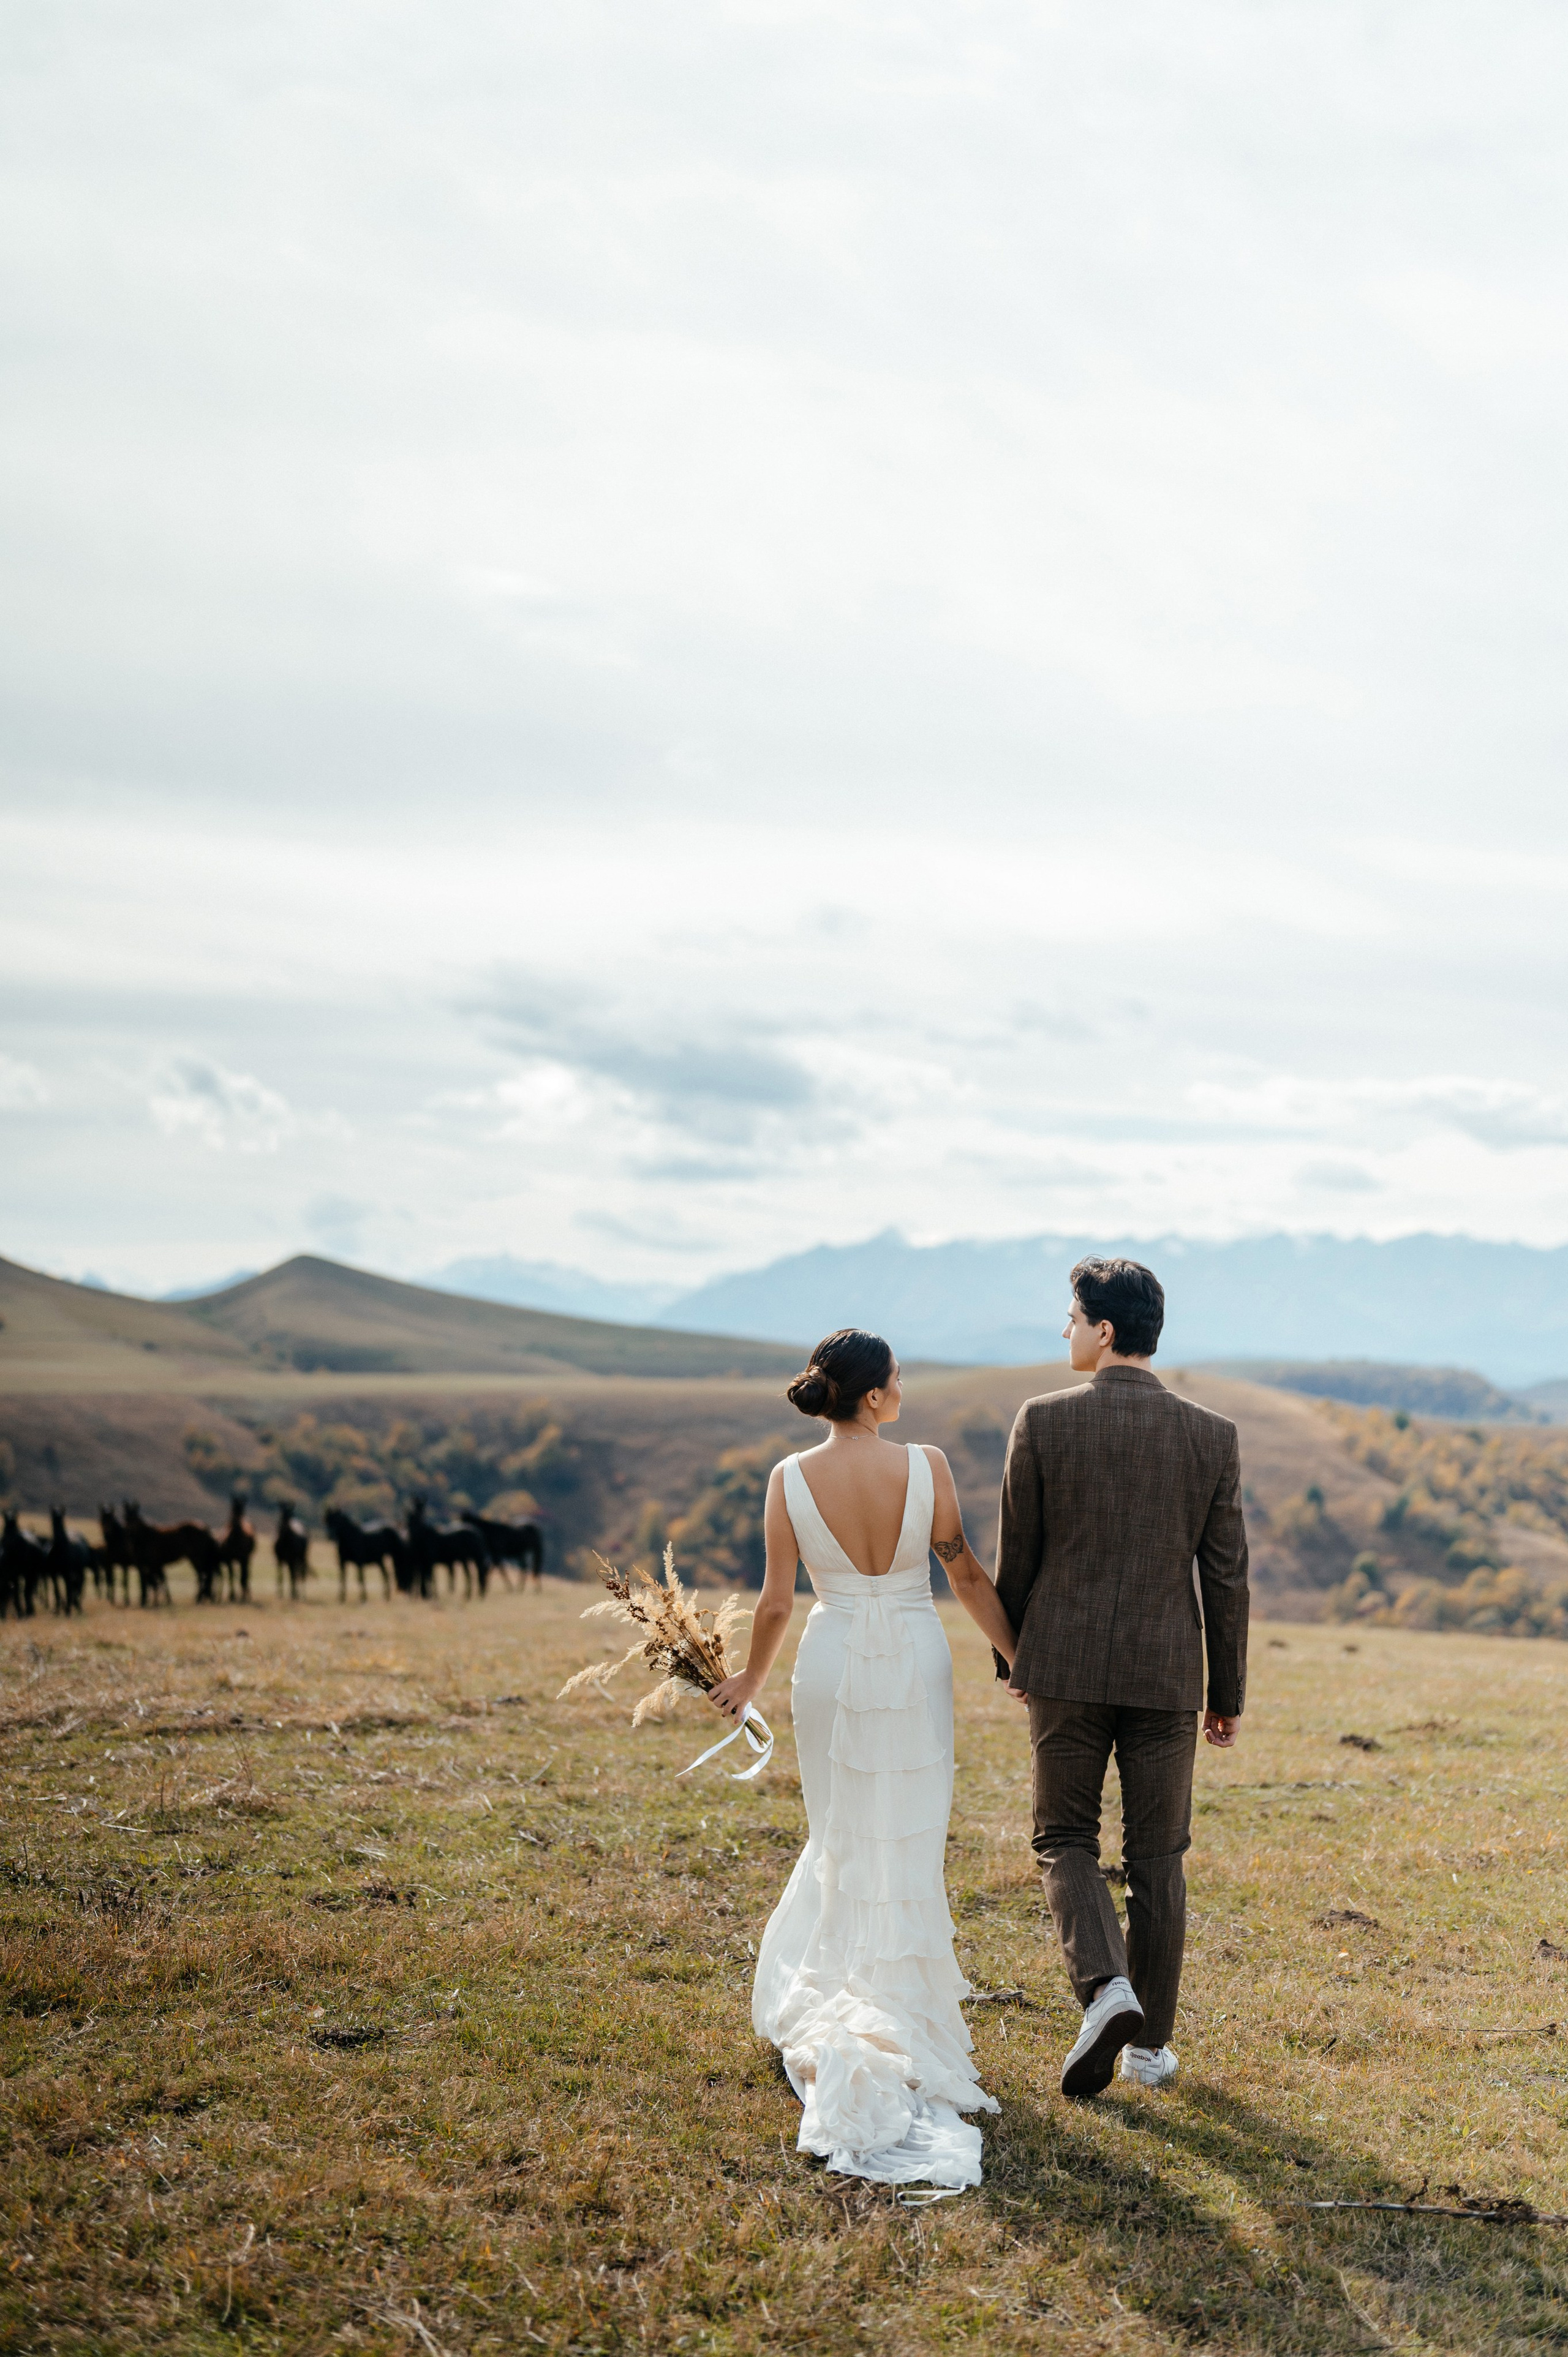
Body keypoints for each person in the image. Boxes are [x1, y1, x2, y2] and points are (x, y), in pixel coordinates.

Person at [707, 1328, 1017, 2190]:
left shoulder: (788, 1479)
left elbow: (776, 1601)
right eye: (897, 1378)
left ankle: (851, 2002)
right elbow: (965, 1574)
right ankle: (896, 2009)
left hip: (834, 1656)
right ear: (875, 1395)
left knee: (839, 1831)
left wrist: (748, 1683)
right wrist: (1016, 1657)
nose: (904, 1388)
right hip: (915, 1655)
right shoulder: (929, 1465)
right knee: (909, 1832)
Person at [995, 1258, 1249, 2097]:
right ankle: (1148, 2051)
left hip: (1063, 1664)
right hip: (1167, 1671)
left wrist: (1013, 1659)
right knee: (1159, 1857)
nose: (1064, 1329)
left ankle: (1106, 1989)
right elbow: (1226, 1577)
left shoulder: (1042, 1420)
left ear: (1105, 1332)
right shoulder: (1213, 1436)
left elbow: (1017, 1559)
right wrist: (1226, 1695)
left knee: (1064, 1837)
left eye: (1072, 1316)